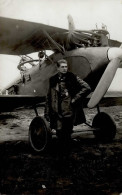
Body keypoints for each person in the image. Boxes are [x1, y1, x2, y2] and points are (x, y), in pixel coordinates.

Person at [44, 59, 91, 141]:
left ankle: (66, 149)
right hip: (56, 112)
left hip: (68, 111)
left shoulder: (72, 77)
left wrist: (75, 98)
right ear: (58, 68)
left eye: (66, 67)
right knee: (59, 133)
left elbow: (87, 87)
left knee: (67, 133)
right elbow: (49, 97)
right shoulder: (53, 79)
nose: (65, 69)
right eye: (62, 67)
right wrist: (47, 112)